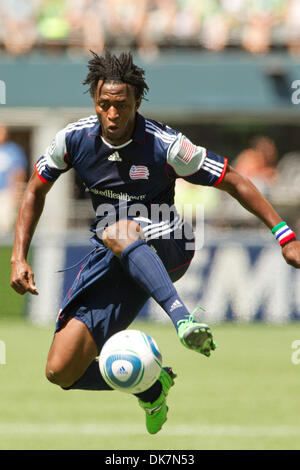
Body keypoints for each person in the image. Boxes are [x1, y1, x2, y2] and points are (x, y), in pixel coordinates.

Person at [10, 51, 300, 435]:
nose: (112, 115)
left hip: (170, 243)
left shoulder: (167, 146)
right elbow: (34, 191)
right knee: (60, 370)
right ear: (95, 102)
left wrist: (285, 235)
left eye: (122, 106)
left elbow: (234, 180)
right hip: (116, 255)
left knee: (116, 228)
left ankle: (182, 320)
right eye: (104, 105)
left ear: (137, 102)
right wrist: (18, 256)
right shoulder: (72, 139)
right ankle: (150, 386)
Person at [0, 124, 28, 234]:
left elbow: (19, 173)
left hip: (6, 194)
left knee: (4, 227)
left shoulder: (14, 150)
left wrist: (15, 193)